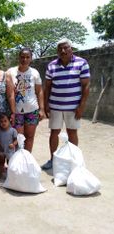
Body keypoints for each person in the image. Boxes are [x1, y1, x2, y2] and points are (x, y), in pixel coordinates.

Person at [41, 38, 90, 170]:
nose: (63, 51)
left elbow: (86, 87)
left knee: (72, 133)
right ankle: (52, 159)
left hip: (73, 107)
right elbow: (48, 87)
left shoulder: (82, 63)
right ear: (57, 51)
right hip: (55, 106)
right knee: (54, 133)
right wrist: (46, 105)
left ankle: (74, 160)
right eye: (60, 49)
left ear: (71, 49)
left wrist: (81, 107)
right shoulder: (51, 65)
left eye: (65, 48)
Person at [7, 48, 45, 152]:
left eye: (27, 57)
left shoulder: (35, 73)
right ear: (18, 58)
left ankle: (27, 160)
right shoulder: (10, 72)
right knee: (18, 138)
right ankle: (17, 161)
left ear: (31, 59)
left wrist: (42, 109)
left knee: (30, 137)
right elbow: (8, 92)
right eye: (22, 57)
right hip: (17, 111)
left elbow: (39, 91)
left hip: (32, 110)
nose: (25, 59)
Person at [0, 113, 18, 177]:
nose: (3, 123)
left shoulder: (13, 130)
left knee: (10, 163)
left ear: (9, 121)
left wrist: (13, 144)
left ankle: (10, 176)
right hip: (1, 150)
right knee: (1, 163)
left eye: (5, 121)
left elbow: (16, 140)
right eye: (1, 121)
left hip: (10, 150)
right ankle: (0, 174)